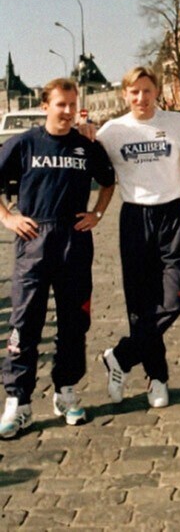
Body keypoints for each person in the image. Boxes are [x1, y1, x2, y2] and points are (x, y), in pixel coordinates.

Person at [0, 78, 115, 439]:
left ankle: (66, 391)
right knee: (24, 322)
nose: (66, 111)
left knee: (73, 322)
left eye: (71, 104)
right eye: (60, 104)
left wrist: (97, 213)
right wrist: (8, 218)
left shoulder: (86, 146)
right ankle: (18, 402)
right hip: (34, 241)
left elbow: (108, 182)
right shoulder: (24, 144)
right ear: (46, 105)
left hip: (74, 242)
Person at [96, 66, 180, 409]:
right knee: (140, 306)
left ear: (157, 92)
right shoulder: (112, 131)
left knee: (173, 300)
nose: (141, 98)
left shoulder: (178, 123)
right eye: (134, 92)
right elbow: (93, 170)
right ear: (125, 95)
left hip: (172, 216)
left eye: (147, 91)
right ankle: (157, 378)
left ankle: (120, 356)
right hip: (135, 218)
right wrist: (93, 212)